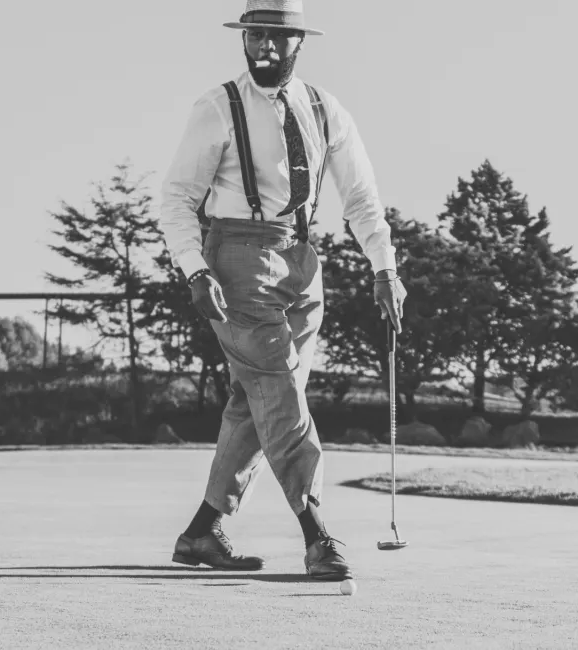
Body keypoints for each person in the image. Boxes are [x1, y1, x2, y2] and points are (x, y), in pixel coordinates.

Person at [157, 0, 406, 581]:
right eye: (254, 36)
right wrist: (195, 271)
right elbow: (176, 200)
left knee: (258, 399)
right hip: (236, 257)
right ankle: (317, 533)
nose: (263, 46)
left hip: (302, 260)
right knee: (280, 394)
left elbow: (362, 198)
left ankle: (200, 533)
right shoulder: (218, 107)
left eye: (276, 37)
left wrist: (385, 268)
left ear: (299, 43)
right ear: (243, 40)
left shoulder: (325, 109)